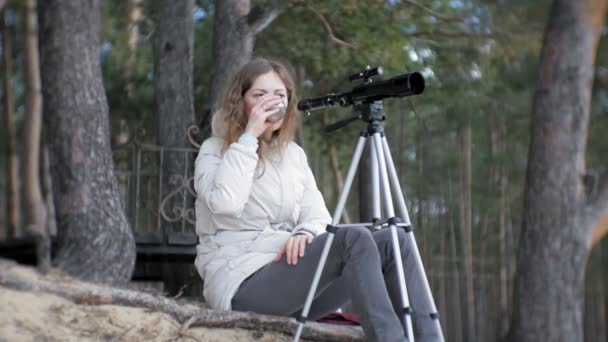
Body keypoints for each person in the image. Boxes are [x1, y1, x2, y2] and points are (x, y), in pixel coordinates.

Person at [194, 58, 439, 342]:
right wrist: (249, 137)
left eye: (279, 95)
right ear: (241, 103)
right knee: (353, 238)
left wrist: (305, 232)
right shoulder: (215, 150)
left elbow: (319, 216)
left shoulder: (293, 155)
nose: (270, 103)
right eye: (259, 95)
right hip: (241, 282)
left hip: (295, 282)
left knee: (394, 240)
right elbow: (225, 203)